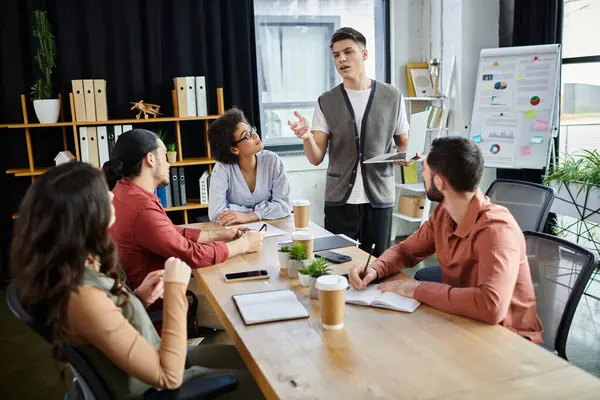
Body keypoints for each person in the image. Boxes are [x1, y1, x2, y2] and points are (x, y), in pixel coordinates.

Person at [11, 162, 263, 399]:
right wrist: (176, 290)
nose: (111, 196)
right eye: (103, 193)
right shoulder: (83, 296)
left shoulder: (74, 266)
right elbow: (169, 376)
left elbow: (105, 326)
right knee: (270, 386)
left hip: (152, 359)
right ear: (83, 214)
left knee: (253, 359)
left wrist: (138, 299)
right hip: (161, 386)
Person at [348, 136, 543, 343]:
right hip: (465, 324)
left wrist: (418, 289)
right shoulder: (444, 213)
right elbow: (407, 250)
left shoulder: (497, 230)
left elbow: (491, 306)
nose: (422, 174)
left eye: (424, 169)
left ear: (439, 181)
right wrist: (376, 269)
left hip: (509, 340)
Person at [288, 27, 414, 257]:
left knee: (376, 265)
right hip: (339, 201)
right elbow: (316, 158)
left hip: (379, 199)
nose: (342, 59)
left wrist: (405, 157)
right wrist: (306, 136)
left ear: (364, 54)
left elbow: (404, 144)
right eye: (336, 55)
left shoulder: (392, 96)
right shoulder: (326, 101)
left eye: (348, 52)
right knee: (336, 263)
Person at [103, 129, 264, 291]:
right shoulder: (143, 208)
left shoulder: (122, 191)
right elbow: (190, 254)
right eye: (165, 155)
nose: (168, 163)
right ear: (150, 159)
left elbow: (169, 232)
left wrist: (221, 235)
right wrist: (244, 244)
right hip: (159, 299)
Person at [208, 108, 292, 225]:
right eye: (247, 135)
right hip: (236, 231)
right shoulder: (222, 168)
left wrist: (249, 216)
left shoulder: (272, 161)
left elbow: (284, 205)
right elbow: (216, 213)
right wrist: (264, 211)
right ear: (234, 149)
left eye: (251, 129)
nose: (254, 135)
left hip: (274, 227)